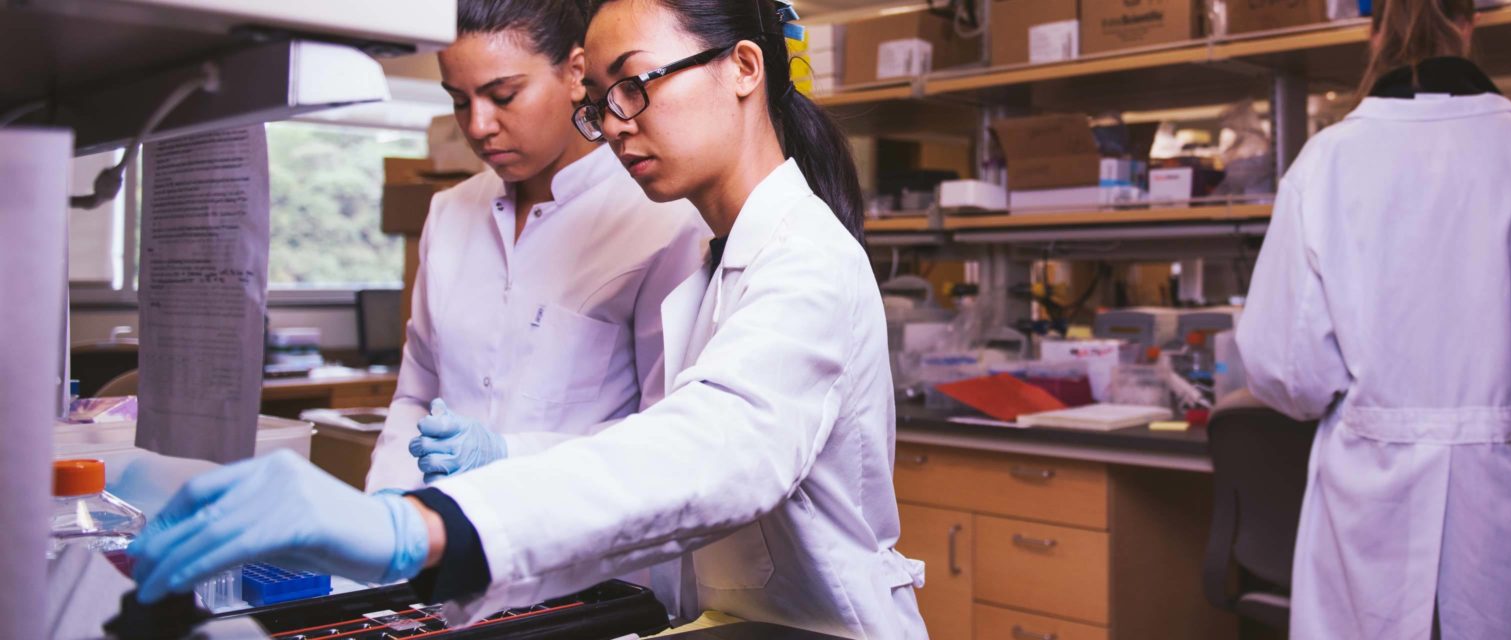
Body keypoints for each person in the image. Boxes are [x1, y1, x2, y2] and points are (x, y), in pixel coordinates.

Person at [126, 0, 929, 637]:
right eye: (602, 100)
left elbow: (715, 449)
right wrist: (467, 485)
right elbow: (645, 458)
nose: (614, 122)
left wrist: (420, 527)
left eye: (635, 85)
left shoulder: (808, 258)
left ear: (744, 68)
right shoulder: (725, 253)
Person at [1235, 0, 1511, 638]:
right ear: (1471, 24)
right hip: (1507, 491)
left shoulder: (1325, 163)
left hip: (1371, 493)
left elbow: (1289, 371)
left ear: (1373, 31)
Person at [364, 0, 705, 492]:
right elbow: (416, 395)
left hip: (584, 553)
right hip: (444, 544)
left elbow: (665, 435)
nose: (478, 126)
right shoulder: (449, 213)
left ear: (575, 73)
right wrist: (387, 507)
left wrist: (509, 458)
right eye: (460, 101)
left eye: (502, 95)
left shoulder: (661, 219)